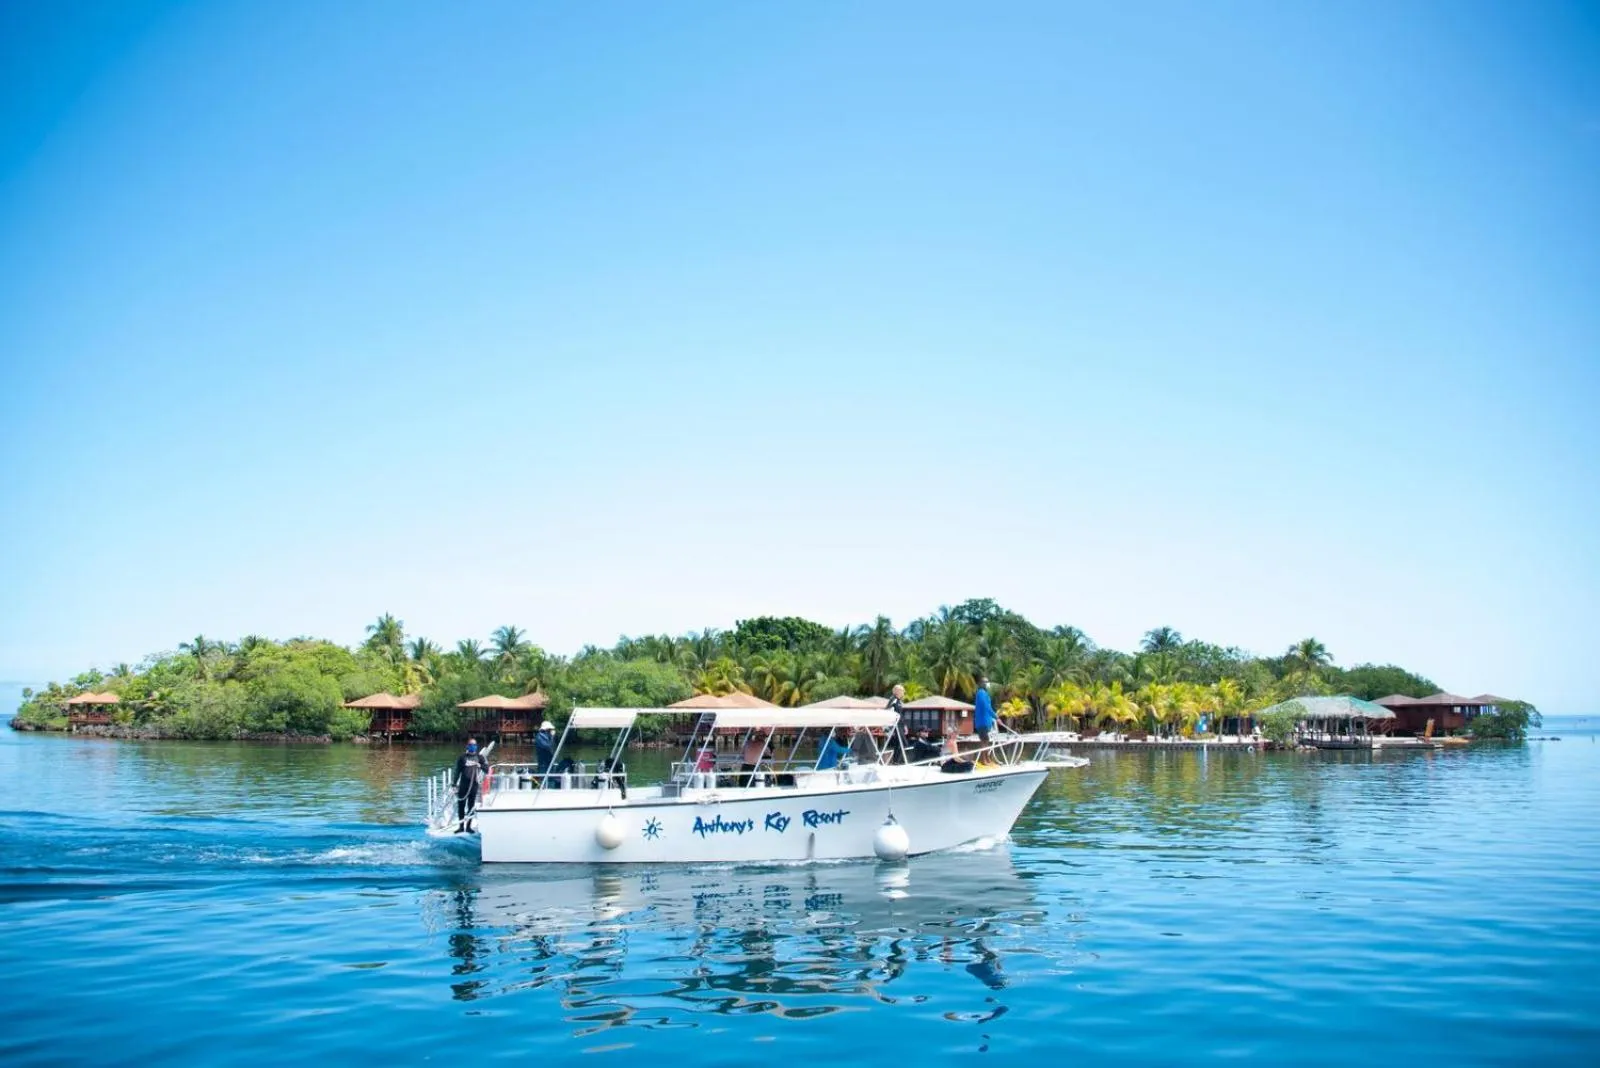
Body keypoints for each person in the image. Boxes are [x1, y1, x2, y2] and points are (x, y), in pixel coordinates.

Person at [453, 738, 489, 831]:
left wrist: (480, 765)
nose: (472, 746)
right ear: (467, 746)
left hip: (474, 785)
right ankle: (461, 827)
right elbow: (457, 772)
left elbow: (487, 769)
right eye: (470, 745)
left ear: (476, 746)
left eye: (474, 745)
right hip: (463, 785)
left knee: (471, 806)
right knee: (461, 805)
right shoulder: (462, 757)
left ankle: (468, 827)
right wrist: (454, 783)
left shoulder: (480, 757)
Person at [973, 676, 996, 752]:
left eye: (987, 682)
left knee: (986, 740)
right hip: (982, 722)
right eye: (985, 682)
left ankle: (987, 758)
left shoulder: (985, 693)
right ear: (981, 684)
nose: (987, 683)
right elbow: (986, 706)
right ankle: (984, 759)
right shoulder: (981, 693)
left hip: (986, 722)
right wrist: (996, 717)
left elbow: (988, 706)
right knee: (985, 740)